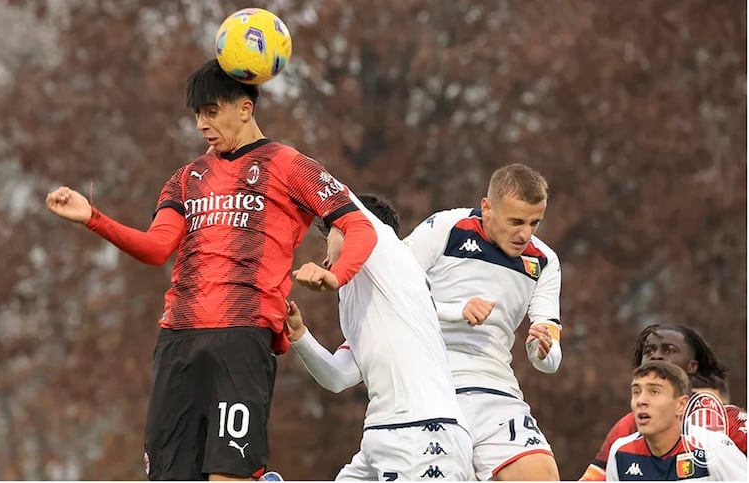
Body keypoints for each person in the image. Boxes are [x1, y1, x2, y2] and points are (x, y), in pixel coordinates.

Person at [45, 59, 377, 481]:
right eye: (198, 114)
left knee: (228, 474)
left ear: (245, 108)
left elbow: (358, 224)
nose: (202, 123)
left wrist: (337, 274)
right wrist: (93, 217)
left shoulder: (290, 165)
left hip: (241, 338)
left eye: (212, 111)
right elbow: (155, 248)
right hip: (178, 339)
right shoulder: (186, 177)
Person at [286, 193, 473, 480]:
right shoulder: (362, 296)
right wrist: (300, 335)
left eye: (331, 236)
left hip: (422, 432)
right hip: (381, 436)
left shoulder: (387, 253)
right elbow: (339, 376)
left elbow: (346, 203)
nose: (325, 255)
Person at [402, 163, 561, 481]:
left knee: (542, 475)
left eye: (534, 222)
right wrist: (455, 311)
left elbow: (550, 358)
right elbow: (394, 296)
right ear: (486, 207)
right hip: (433, 389)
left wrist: (542, 349)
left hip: (498, 393)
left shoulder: (544, 261)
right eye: (515, 221)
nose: (525, 234)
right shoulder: (445, 228)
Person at [579, 324, 747, 481]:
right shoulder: (626, 428)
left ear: (692, 366)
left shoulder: (728, 421)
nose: (656, 356)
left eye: (669, 350)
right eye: (649, 351)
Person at [605, 361, 746, 481]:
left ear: (681, 405)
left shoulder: (713, 447)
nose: (641, 401)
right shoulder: (620, 452)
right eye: (636, 392)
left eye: (654, 392)